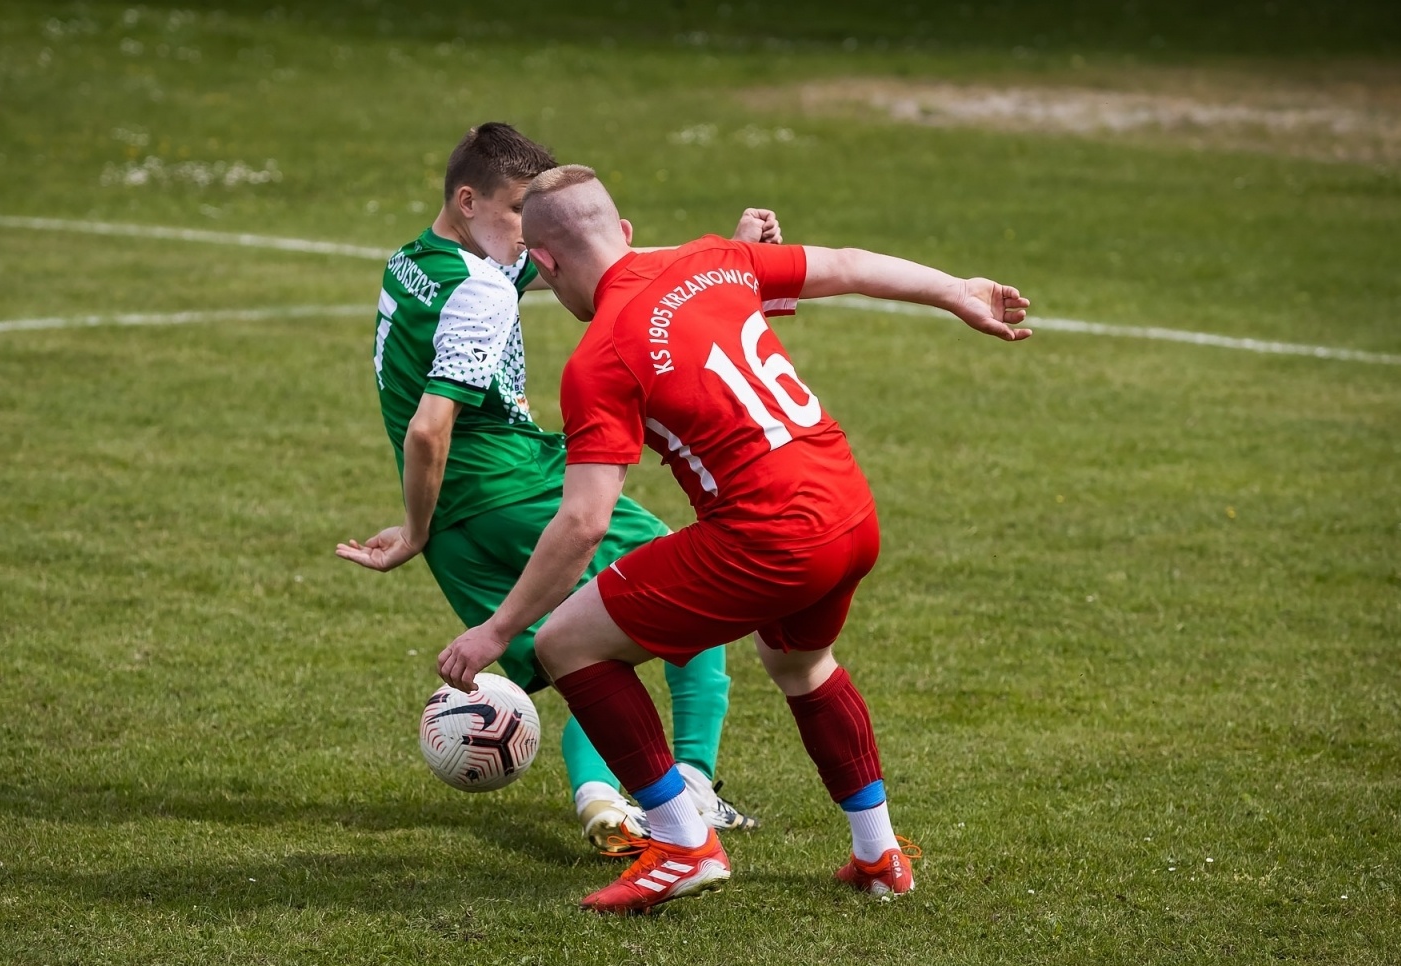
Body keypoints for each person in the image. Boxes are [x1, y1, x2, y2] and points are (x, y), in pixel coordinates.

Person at [437, 164, 1032, 913]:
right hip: (850, 511)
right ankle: (878, 853)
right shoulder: (715, 259)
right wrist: (956, 290)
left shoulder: (600, 358)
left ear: (547, 264)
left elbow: (584, 521)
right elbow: (845, 265)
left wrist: (497, 631)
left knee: (565, 642)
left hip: (770, 535)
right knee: (800, 662)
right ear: (623, 232)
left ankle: (683, 843)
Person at [336, 124, 773, 852]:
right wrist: (409, 533)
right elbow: (426, 429)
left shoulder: (414, 260)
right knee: (689, 595)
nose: (529, 234)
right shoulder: (480, 292)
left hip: (462, 517)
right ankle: (690, 786)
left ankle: (605, 800)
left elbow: (600, 263)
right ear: (468, 200)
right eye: (516, 214)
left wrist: (425, 524)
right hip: (514, 491)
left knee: (589, 649)